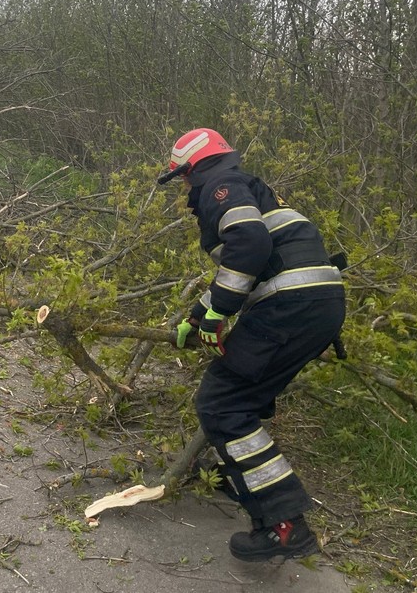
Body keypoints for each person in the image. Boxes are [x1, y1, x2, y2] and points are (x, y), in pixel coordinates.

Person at [160, 127, 346, 562]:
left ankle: (284, 526)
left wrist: (220, 310)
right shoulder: (248, 187)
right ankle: (242, 474)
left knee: (223, 403)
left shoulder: (219, 185)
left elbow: (250, 243)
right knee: (246, 395)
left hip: (289, 306)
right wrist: (201, 312)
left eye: (183, 177)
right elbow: (253, 264)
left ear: (193, 167)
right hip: (315, 304)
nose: (185, 187)